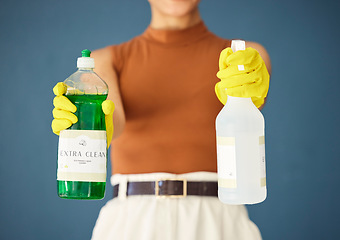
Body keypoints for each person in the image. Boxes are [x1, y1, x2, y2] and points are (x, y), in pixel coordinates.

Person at [52, 0, 271, 239]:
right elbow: (113, 119)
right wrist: (91, 126)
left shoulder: (245, 58)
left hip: (219, 221)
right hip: (132, 224)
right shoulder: (103, 61)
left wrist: (250, 97)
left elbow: (248, 110)